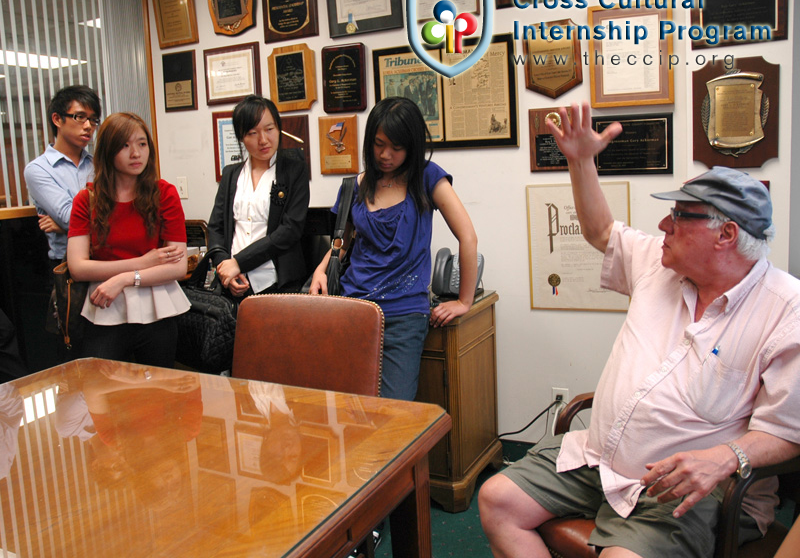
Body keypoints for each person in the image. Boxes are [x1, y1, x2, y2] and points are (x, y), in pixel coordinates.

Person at [479, 102, 800, 558]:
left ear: (726, 235)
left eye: (681, 215)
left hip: (680, 487)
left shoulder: (786, 311)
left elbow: (787, 431)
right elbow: (599, 230)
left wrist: (725, 458)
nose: (663, 225)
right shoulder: (658, 262)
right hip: (599, 458)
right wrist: (581, 161)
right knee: (496, 500)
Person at [309, 96, 478, 401]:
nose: (386, 155)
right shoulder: (355, 186)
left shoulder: (427, 177)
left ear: (412, 146)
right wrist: (320, 270)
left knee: (394, 410)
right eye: (378, 144)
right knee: (349, 406)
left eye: (397, 147)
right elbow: (342, 242)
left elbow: (468, 237)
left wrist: (464, 301)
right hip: (352, 309)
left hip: (403, 315)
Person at [66, 112, 190, 367]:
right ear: (108, 152)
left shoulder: (164, 193)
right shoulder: (86, 199)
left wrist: (124, 279)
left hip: (157, 308)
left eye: (142, 144)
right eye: (125, 145)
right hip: (103, 307)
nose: (136, 153)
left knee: (159, 396)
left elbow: (177, 267)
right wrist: (144, 262)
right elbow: (78, 268)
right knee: (101, 394)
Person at [199, 95, 310, 298]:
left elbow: (290, 230)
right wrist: (225, 267)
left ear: (278, 128)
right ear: (241, 137)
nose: (263, 140)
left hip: (277, 283)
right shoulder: (231, 174)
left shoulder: (295, 171)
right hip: (233, 283)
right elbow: (216, 227)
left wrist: (239, 262)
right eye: (252, 132)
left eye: (269, 129)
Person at [24, 85, 102, 266]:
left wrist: (63, 227)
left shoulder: (98, 165)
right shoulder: (39, 169)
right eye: (80, 117)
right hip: (66, 265)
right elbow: (69, 216)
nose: (88, 126)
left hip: (106, 256)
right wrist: (69, 223)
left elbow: (121, 215)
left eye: (93, 119)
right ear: (57, 119)